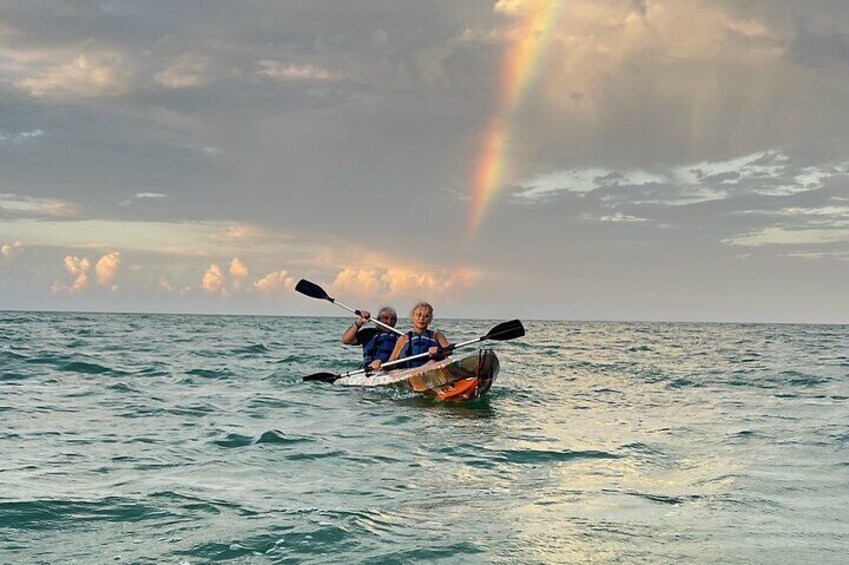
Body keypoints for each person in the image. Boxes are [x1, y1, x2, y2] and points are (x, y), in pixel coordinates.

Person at [378, 302, 450, 370]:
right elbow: (392, 363)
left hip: (432, 368)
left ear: (430, 319)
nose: (422, 318)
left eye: (426, 316)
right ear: (413, 317)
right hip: (409, 373)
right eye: (418, 315)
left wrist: (438, 351)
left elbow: (449, 351)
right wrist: (380, 364)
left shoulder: (437, 336)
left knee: (433, 363)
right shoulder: (403, 338)